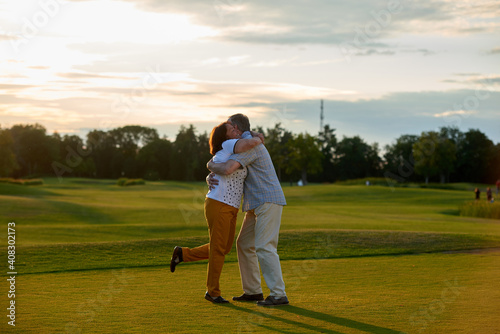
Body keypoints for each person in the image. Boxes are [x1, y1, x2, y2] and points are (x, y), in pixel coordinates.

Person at [170, 121, 264, 304]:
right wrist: (250, 134)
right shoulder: (228, 145)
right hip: (219, 203)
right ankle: (212, 292)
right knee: (219, 249)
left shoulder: (233, 150)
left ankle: (183, 254)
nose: (236, 131)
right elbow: (254, 142)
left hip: (229, 206)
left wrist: (250, 133)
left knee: (224, 247)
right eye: (232, 129)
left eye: (237, 128)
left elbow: (255, 139)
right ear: (226, 136)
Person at [207, 114, 289, 307]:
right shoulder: (249, 140)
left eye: (229, 127)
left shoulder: (248, 145)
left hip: (268, 199)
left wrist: (209, 165)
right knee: (243, 244)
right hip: (256, 203)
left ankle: (278, 294)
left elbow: (227, 169)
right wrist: (209, 176)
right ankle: (253, 291)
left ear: (236, 127)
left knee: (264, 246)